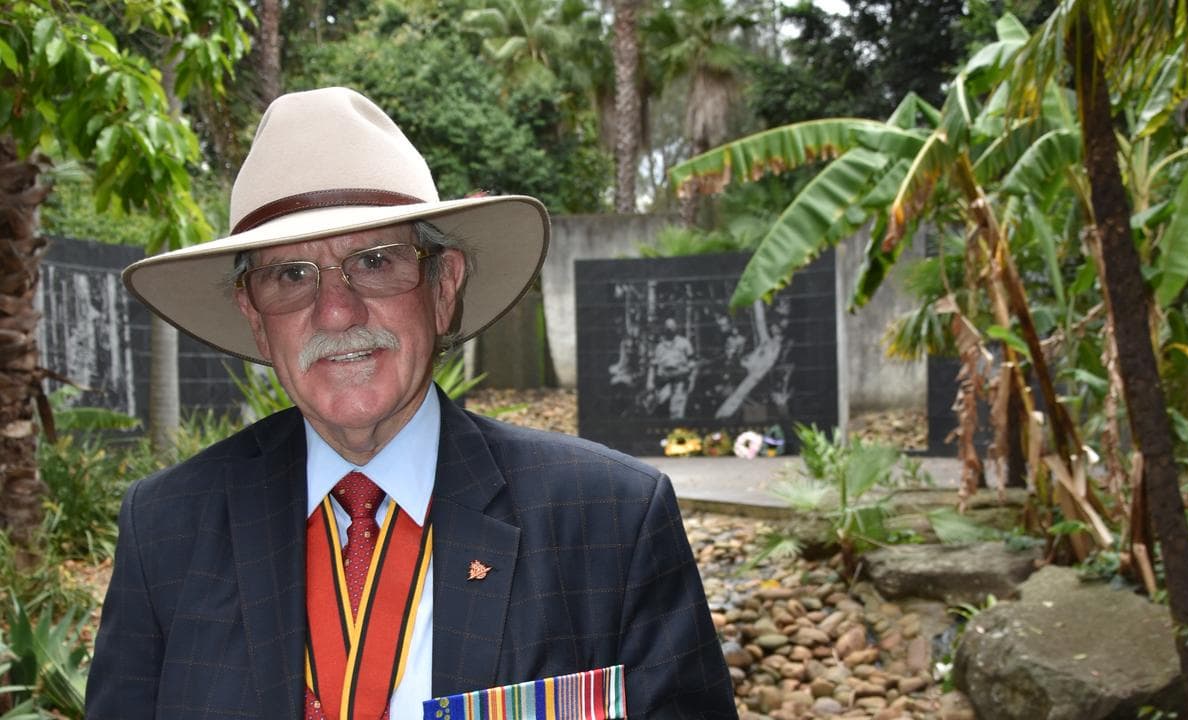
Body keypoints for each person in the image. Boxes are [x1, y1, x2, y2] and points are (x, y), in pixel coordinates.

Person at [85, 87, 735, 719]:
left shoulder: (609, 522)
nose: (336, 311)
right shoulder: (167, 527)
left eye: (372, 262)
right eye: (289, 275)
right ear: (255, 317)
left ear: (443, 286)